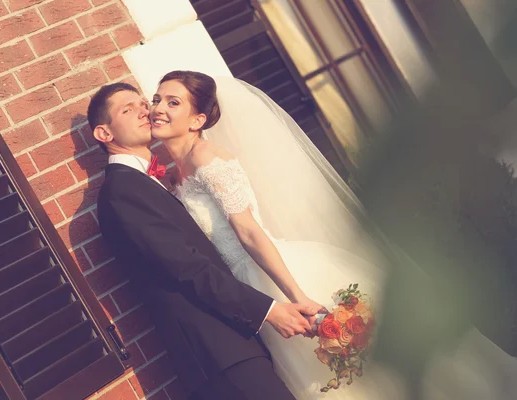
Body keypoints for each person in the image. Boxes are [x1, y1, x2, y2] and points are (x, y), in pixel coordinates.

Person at [149, 70, 517, 400]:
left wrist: (298, 298)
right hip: (242, 287)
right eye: (156, 99)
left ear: (198, 118)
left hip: (269, 276)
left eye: (172, 101)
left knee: (346, 375)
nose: (158, 108)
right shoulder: (172, 171)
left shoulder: (206, 158)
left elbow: (249, 232)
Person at [90, 82, 317, 400]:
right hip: (215, 353)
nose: (145, 110)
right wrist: (267, 310)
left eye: (144, 103)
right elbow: (186, 266)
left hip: (232, 344)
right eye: (128, 109)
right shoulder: (121, 192)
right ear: (104, 134)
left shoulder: (146, 181)